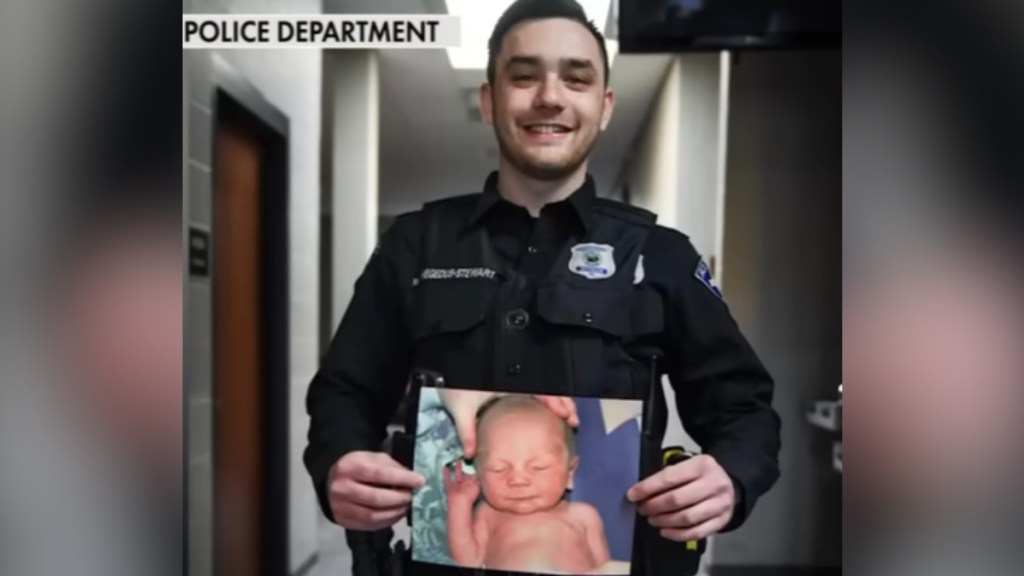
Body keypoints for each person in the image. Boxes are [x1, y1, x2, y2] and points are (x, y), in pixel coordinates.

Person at [303, 0, 781, 570]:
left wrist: (731, 476)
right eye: (524, 76)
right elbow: (344, 392)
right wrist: (338, 462)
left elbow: (744, 408)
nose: (550, 96)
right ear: (489, 100)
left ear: (603, 108)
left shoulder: (660, 255)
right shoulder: (414, 244)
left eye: (576, 79)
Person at [443, 395, 610, 574]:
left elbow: (605, 568)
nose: (518, 480)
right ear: (480, 475)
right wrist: (459, 503)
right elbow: (466, 561)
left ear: (570, 472)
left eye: (539, 467)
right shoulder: (488, 515)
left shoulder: (584, 516)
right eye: (498, 469)